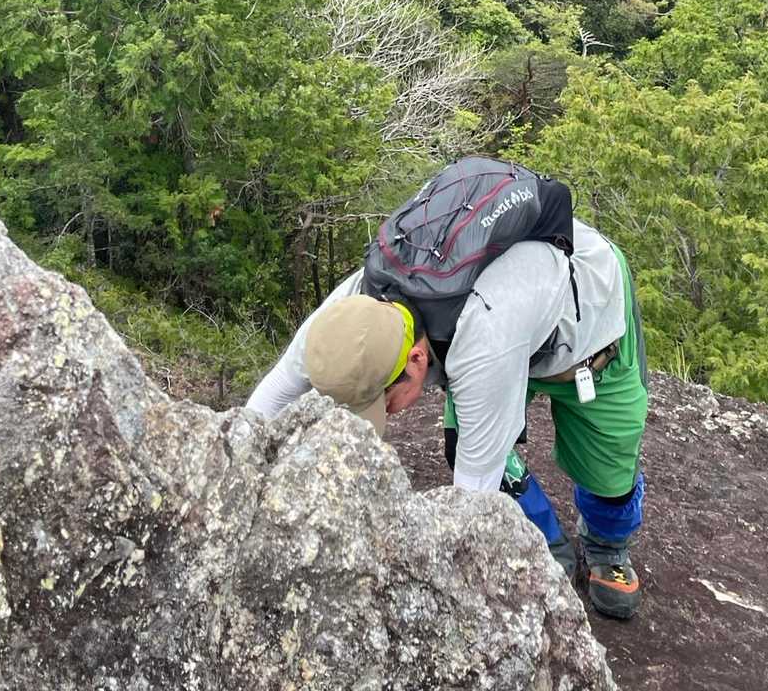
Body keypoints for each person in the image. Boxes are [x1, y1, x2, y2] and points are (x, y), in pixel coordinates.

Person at [246, 157, 650, 620]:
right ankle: (541, 537)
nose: (386, 415)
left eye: (384, 401)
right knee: (466, 444)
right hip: (506, 321)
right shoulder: (359, 307)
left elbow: (469, 510)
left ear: (417, 360)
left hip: (587, 335)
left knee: (609, 470)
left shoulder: (485, 337)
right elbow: (273, 395)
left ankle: (606, 545)